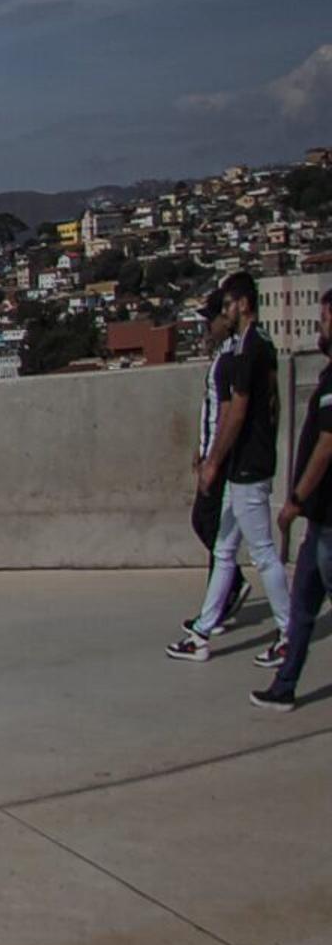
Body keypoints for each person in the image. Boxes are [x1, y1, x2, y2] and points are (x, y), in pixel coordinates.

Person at [173, 274, 284, 663]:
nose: (222, 315)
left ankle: (288, 631)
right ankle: (202, 632)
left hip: (245, 465)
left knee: (264, 553)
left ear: (243, 304)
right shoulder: (259, 346)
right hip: (245, 461)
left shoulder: (247, 350)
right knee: (223, 548)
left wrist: (213, 461)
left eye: (225, 307)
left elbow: (233, 412)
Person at [252, 291, 332, 711]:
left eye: (323, 317)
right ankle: (284, 686)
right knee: (301, 613)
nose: (319, 325)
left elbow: (327, 445)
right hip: (319, 522)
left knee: (305, 607)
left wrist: (296, 498)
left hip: (327, 522)